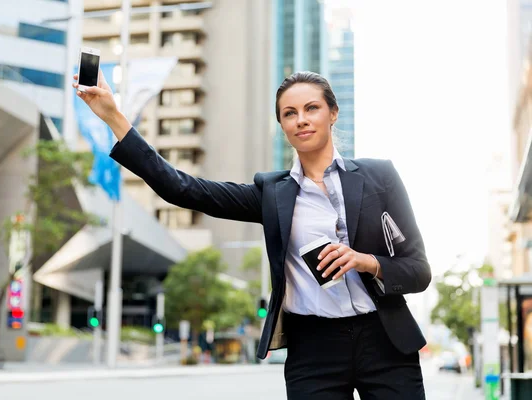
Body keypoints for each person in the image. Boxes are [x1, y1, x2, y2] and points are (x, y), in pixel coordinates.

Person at [73, 70, 431, 399]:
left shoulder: (379, 176)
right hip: (315, 348)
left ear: (332, 113)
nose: (301, 119)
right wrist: (113, 117)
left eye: (312, 108)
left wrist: (366, 262)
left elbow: (418, 270)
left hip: (385, 340)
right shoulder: (272, 194)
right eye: (289, 113)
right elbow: (181, 188)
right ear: (282, 124)